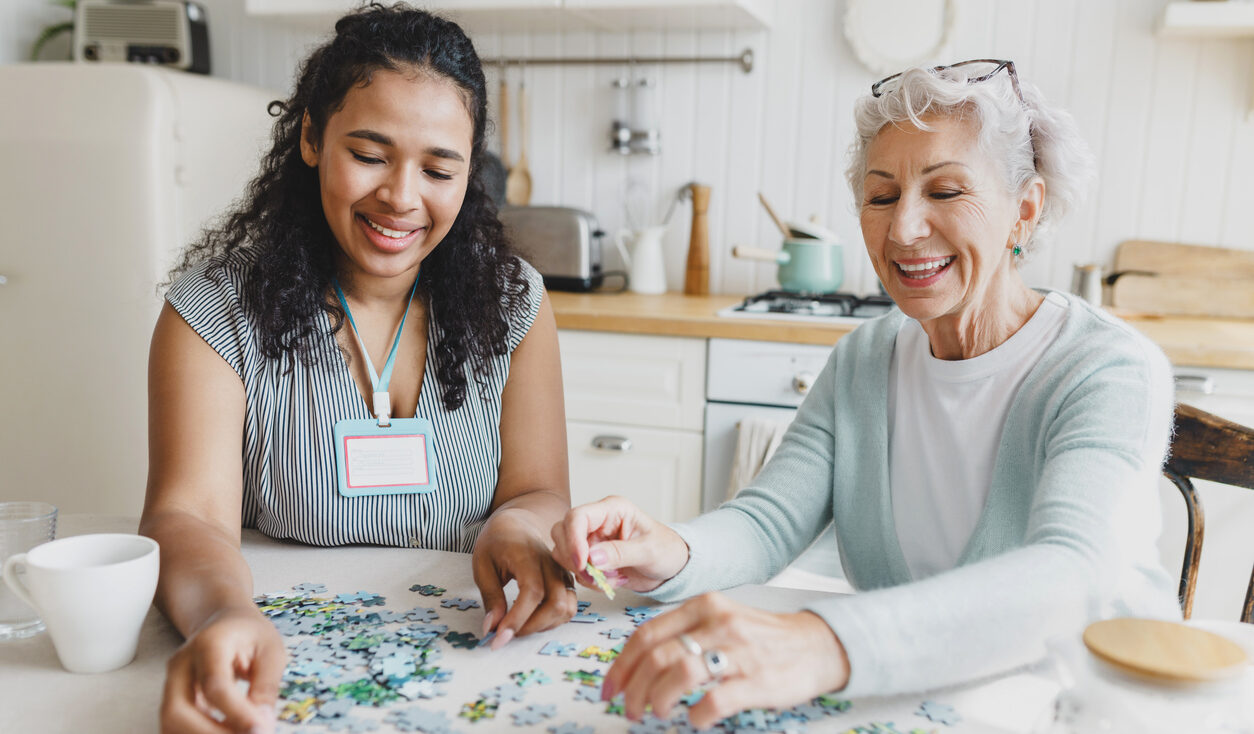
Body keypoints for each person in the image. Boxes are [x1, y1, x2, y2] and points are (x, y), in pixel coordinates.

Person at [552, 59, 1181, 727]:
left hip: (1091, 706)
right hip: (922, 700)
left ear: (1023, 211)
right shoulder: (865, 357)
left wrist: (825, 641)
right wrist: (667, 549)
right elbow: (766, 523)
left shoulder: (1106, 367)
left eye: (945, 191)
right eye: (882, 197)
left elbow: (1069, 577)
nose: (904, 228)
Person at [140, 5, 574, 733]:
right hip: (282, 664)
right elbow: (187, 517)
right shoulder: (214, 311)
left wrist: (523, 527)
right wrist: (222, 616)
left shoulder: (515, 302)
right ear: (311, 137)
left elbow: (539, 490)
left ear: (472, 172)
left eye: (439, 168)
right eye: (370, 155)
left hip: (467, 668)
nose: (402, 197)